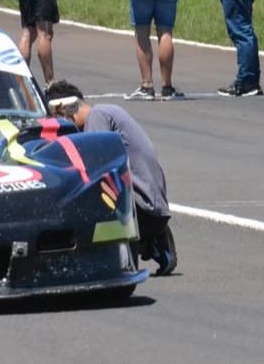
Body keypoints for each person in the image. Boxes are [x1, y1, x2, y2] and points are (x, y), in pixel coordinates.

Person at [45, 80, 177, 275]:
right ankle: (153, 242)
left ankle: (122, 252)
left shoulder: (96, 118)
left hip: (141, 210)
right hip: (151, 207)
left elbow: (96, 170)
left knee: (79, 200)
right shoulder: (107, 111)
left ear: (67, 110)